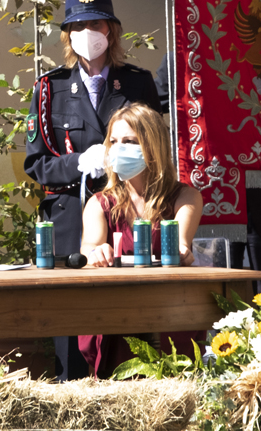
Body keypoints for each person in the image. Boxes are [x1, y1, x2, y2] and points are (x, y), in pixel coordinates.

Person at [23, 0, 161, 381]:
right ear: (68, 35)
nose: (88, 33)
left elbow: (156, 150)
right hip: (70, 221)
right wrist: (77, 162)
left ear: (111, 30)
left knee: (130, 330)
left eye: (95, 24)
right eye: (78, 25)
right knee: (71, 337)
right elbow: (37, 164)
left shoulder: (137, 83)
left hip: (128, 217)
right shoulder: (49, 88)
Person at [77, 103, 202, 378]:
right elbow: (88, 249)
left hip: (170, 312)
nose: (119, 149)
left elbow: (181, 239)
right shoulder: (99, 204)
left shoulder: (185, 197)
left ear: (152, 145)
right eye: (113, 141)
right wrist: (97, 253)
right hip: (117, 314)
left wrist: (181, 250)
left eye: (130, 141)